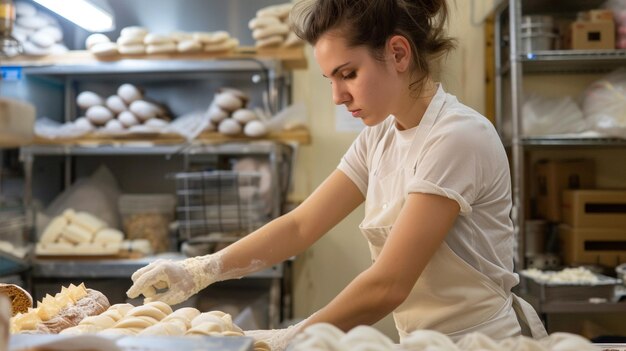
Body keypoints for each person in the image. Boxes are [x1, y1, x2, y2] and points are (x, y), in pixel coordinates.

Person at [126, 0, 548, 348]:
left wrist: (291, 339)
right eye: (330, 78)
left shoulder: (457, 137)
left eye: (348, 74)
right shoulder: (380, 135)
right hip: (423, 342)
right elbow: (300, 225)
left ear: (399, 54)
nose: (337, 96)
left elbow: (388, 284)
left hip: (483, 343)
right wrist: (202, 268)